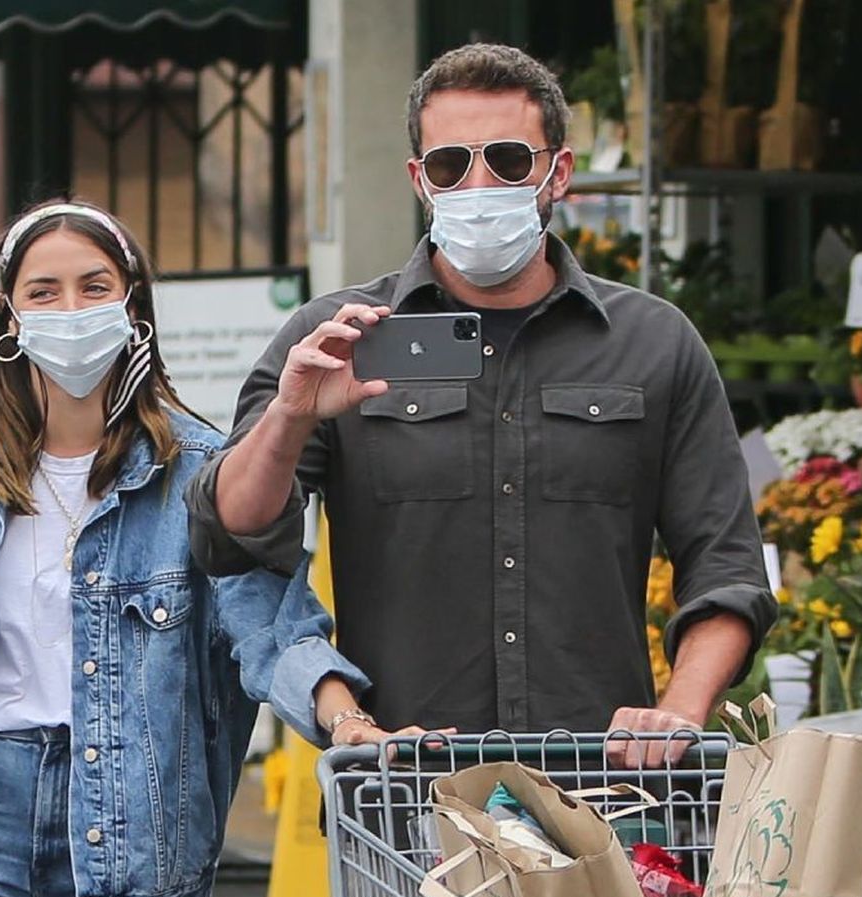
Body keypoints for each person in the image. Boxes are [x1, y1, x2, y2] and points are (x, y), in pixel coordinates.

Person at [186, 43, 778, 765]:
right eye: (449, 165)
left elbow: (726, 568)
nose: (478, 184)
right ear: (419, 181)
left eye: (506, 160)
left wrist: (679, 711)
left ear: (556, 171)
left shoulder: (655, 343)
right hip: (403, 791)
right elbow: (230, 537)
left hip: (604, 787)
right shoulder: (336, 338)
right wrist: (291, 416)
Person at [0, 201, 403, 897]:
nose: (71, 310)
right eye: (43, 293)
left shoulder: (199, 467)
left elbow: (270, 621)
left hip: (134, 815)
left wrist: (343, 716)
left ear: (133, 305)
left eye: (95, 286)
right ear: (8, 316)